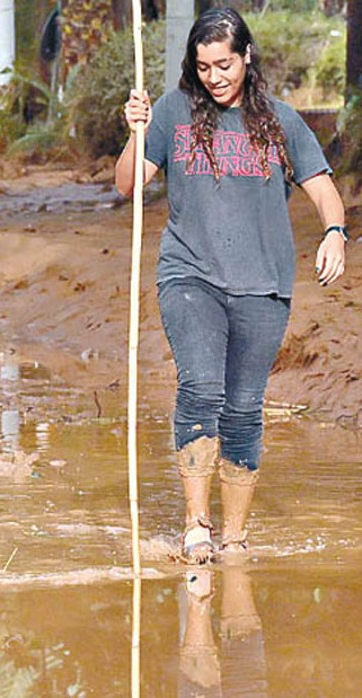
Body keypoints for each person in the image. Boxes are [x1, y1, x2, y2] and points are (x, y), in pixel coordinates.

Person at [115, 8, 346, 563]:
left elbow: (322, 191)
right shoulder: (172, 113)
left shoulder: (282, 122)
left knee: (243, 408)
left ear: (246, 58)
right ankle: (196, 525)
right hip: (190, 274)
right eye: (204, 67)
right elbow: (127, 186)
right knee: (201, 389)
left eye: (224, 64)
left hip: (264, 284)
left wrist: (336, 231)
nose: (215, 76)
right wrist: (136, 133)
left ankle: (235, 536)